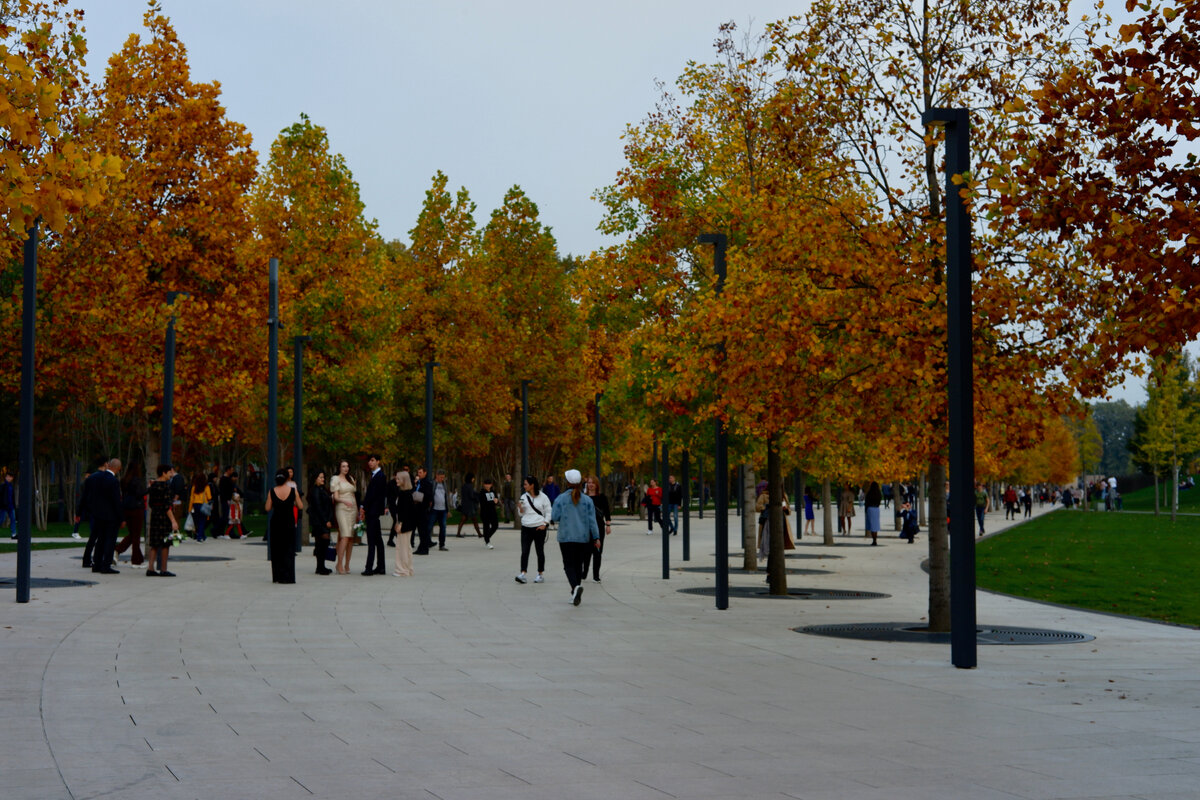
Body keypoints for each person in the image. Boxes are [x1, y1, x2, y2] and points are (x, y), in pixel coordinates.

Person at [552, 469, 599, 606]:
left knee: (568, 565)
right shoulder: (587, 500)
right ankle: (575, 592)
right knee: (578, 565)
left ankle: (575, 587)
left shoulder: (561, 498)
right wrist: (596, 537)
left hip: (566, 537)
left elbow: (554, 517)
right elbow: (592, 521)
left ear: (567, 482)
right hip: (582, 537)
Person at [83, 458, 123, 574]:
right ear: (118, 468)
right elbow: (116, 500)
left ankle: (97, 564)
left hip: (98, 514)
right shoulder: (113, 481)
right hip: (110, 516)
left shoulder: (96, 478)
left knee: (100, 540)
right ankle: (106, 565)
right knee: (110, 540)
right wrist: (121, 517)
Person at [264, 468, 301, 583]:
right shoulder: (293, 490)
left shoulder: (272, 491)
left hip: (276, 522)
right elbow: (300, 506)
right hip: (289, 522)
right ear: (286, 478)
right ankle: (288, 576)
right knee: (289, 548)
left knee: (276, 549)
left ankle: (277, 576)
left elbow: (267, 508)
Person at [515, 475, 552, 585]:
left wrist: (545, 524)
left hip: (539, 527)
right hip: (526, 527)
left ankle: (540, 574)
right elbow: (520, 513)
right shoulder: (523, 497)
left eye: (526, 484)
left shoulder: (543, 497)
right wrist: (520, 508)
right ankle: (523, 573)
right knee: (525, 551)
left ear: (532, 485)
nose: (524, 486)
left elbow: (549, 511)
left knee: (539, 551)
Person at [145, 464, 179, 577]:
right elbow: (167, 506)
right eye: (170, 472)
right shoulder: (166, 486)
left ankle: (150, 568)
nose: (171, 475)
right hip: (164, 518)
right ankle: (163, 569)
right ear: (164, 473)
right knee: (165, 543)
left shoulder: (153, 486)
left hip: (155, 515)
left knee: (154, 543)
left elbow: (150, 503)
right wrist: (173, 521)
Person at [360, 455, 387, 576]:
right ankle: (381, 566)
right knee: (377, 540)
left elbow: (373, 495)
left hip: (373, 512)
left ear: (378, 461)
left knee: (372, 540)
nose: (370, 463)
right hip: (373, 511)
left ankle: (369, 568)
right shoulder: (375, 475)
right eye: (369, 460)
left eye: (372, 460)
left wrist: (364, 508)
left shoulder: (380, 476)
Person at [115, 469, 147, 567]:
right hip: (137, 509)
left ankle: (118, 550)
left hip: (126, 509)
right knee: (136, 535)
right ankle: (136, 561)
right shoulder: (137, 480)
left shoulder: (124, 480)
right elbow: (139, 493)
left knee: (133, 534)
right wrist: (149, 488)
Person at [330, 460, 358, 574]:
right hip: (341, 507)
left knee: (351, 537)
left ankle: (347, 564)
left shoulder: (351, 478)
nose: (346, 468)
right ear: (339, 467)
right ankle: (339, 564)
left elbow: (353, 494)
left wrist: (358, 510)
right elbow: (335, 497)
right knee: (345, 535)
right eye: (343, 466)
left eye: (347, 466)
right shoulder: (335, 479)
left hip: (353, 508)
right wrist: (344, 501)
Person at [582, 475, 610, 582]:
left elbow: (607, 512)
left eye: (592, 482)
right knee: (586, 552)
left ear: (596, 484)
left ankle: (596, 575)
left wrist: (608, 525)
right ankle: (584, 573)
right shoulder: (583, 497)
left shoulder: (602, 497)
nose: (590, 485)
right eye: (589, 482)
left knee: (597, 552)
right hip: (585, 528)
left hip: (599, 527)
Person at [307, 470, 334, 575]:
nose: (322, 479)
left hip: (322, 520)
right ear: (315, 479)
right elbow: (318, 507)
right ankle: (320, 567)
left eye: (323, 477)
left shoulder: (322, 489)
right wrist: (326, 520)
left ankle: (321, 566)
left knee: (322, 544)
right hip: (319, 521)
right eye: (320, 477)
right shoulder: (315, 491)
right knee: (322, 543)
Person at [391, 470, 415, 576]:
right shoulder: (407, 493)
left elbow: (404, 511)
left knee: (402, 547)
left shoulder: (404, 494)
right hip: (407, 523)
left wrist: (399, 523)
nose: (396, 480)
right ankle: (408, 568)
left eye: (398, 479)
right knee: (406, 547)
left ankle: (402, 570)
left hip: (404, 524)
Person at [413, 466, 434, 554]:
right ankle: (421, 547)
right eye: (418, 473)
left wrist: (419, 497)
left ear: (425, 473)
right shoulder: (418, 483)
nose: (419, 474)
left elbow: (428, 495)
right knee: (420, 530)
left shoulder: (427, 483)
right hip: (417, 508)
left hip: (423, 508)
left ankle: (425, 548)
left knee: (423, 530)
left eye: (420, 472)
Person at [455, 472, 482, 538]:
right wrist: (477, 498)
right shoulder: (470, 486)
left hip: (464, 505)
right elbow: (471, 496)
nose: (474, 479)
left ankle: (458, 533)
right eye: (473, 478)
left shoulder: (464, 486)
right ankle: (479, 534)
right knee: (475, 520)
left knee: (463, 520)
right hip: (470, 506)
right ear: (470, 478)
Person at [188, 472, 212, 542]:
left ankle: (203, 536)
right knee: (202, 521)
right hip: (203, 505)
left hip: (195, 505)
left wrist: (190, 508)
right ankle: (199, 537)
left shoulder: (194, 486)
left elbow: (191, 498)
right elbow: (209, 497)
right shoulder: (206, 486)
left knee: (198, 521)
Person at [479, 476, 501, 548]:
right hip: (485, 512)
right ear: (484, 485)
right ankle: (487, 541)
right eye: (486, 484)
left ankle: (487, 537)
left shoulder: (493, 491)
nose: (487, 485)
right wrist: (493, 502)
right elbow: (484, 503)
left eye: (489, 484)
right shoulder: (482, 492)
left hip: (493, 511)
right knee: (486, 526)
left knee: (495, 525)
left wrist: (496, 501)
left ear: (491, 485)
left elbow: (496, 500)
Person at [430, 471, 449, 551]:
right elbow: (430, 494)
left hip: (443, 510)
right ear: (436, 476)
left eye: (443, 477)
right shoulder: (433, 483)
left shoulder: (445, 485)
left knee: (443, 528)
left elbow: (446, 497)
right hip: (434, 509)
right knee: (429, 526)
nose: (442, 479)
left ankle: (442, 545)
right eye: (441, 477)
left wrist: (448, 510)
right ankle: (426, 542)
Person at [864, 481, 882, 546]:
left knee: (872, 525)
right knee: (875, 525)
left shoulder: (869, 493)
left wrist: (866, 510)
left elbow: (867, 502)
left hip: (870, 508)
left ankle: (874, 540)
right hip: (876, 509)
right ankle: (875, 539)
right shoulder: (879, 493)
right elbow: (879, 501)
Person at [0, 467, 15, 539]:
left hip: (10, 506)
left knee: (13, 519)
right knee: (1, 520)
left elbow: (12, 496)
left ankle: (13, 534)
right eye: (9, 477)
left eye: (11, 477)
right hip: (3, 506)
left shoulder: (11, 486)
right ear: (6, 477)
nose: (10, 478)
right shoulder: (3, 485)